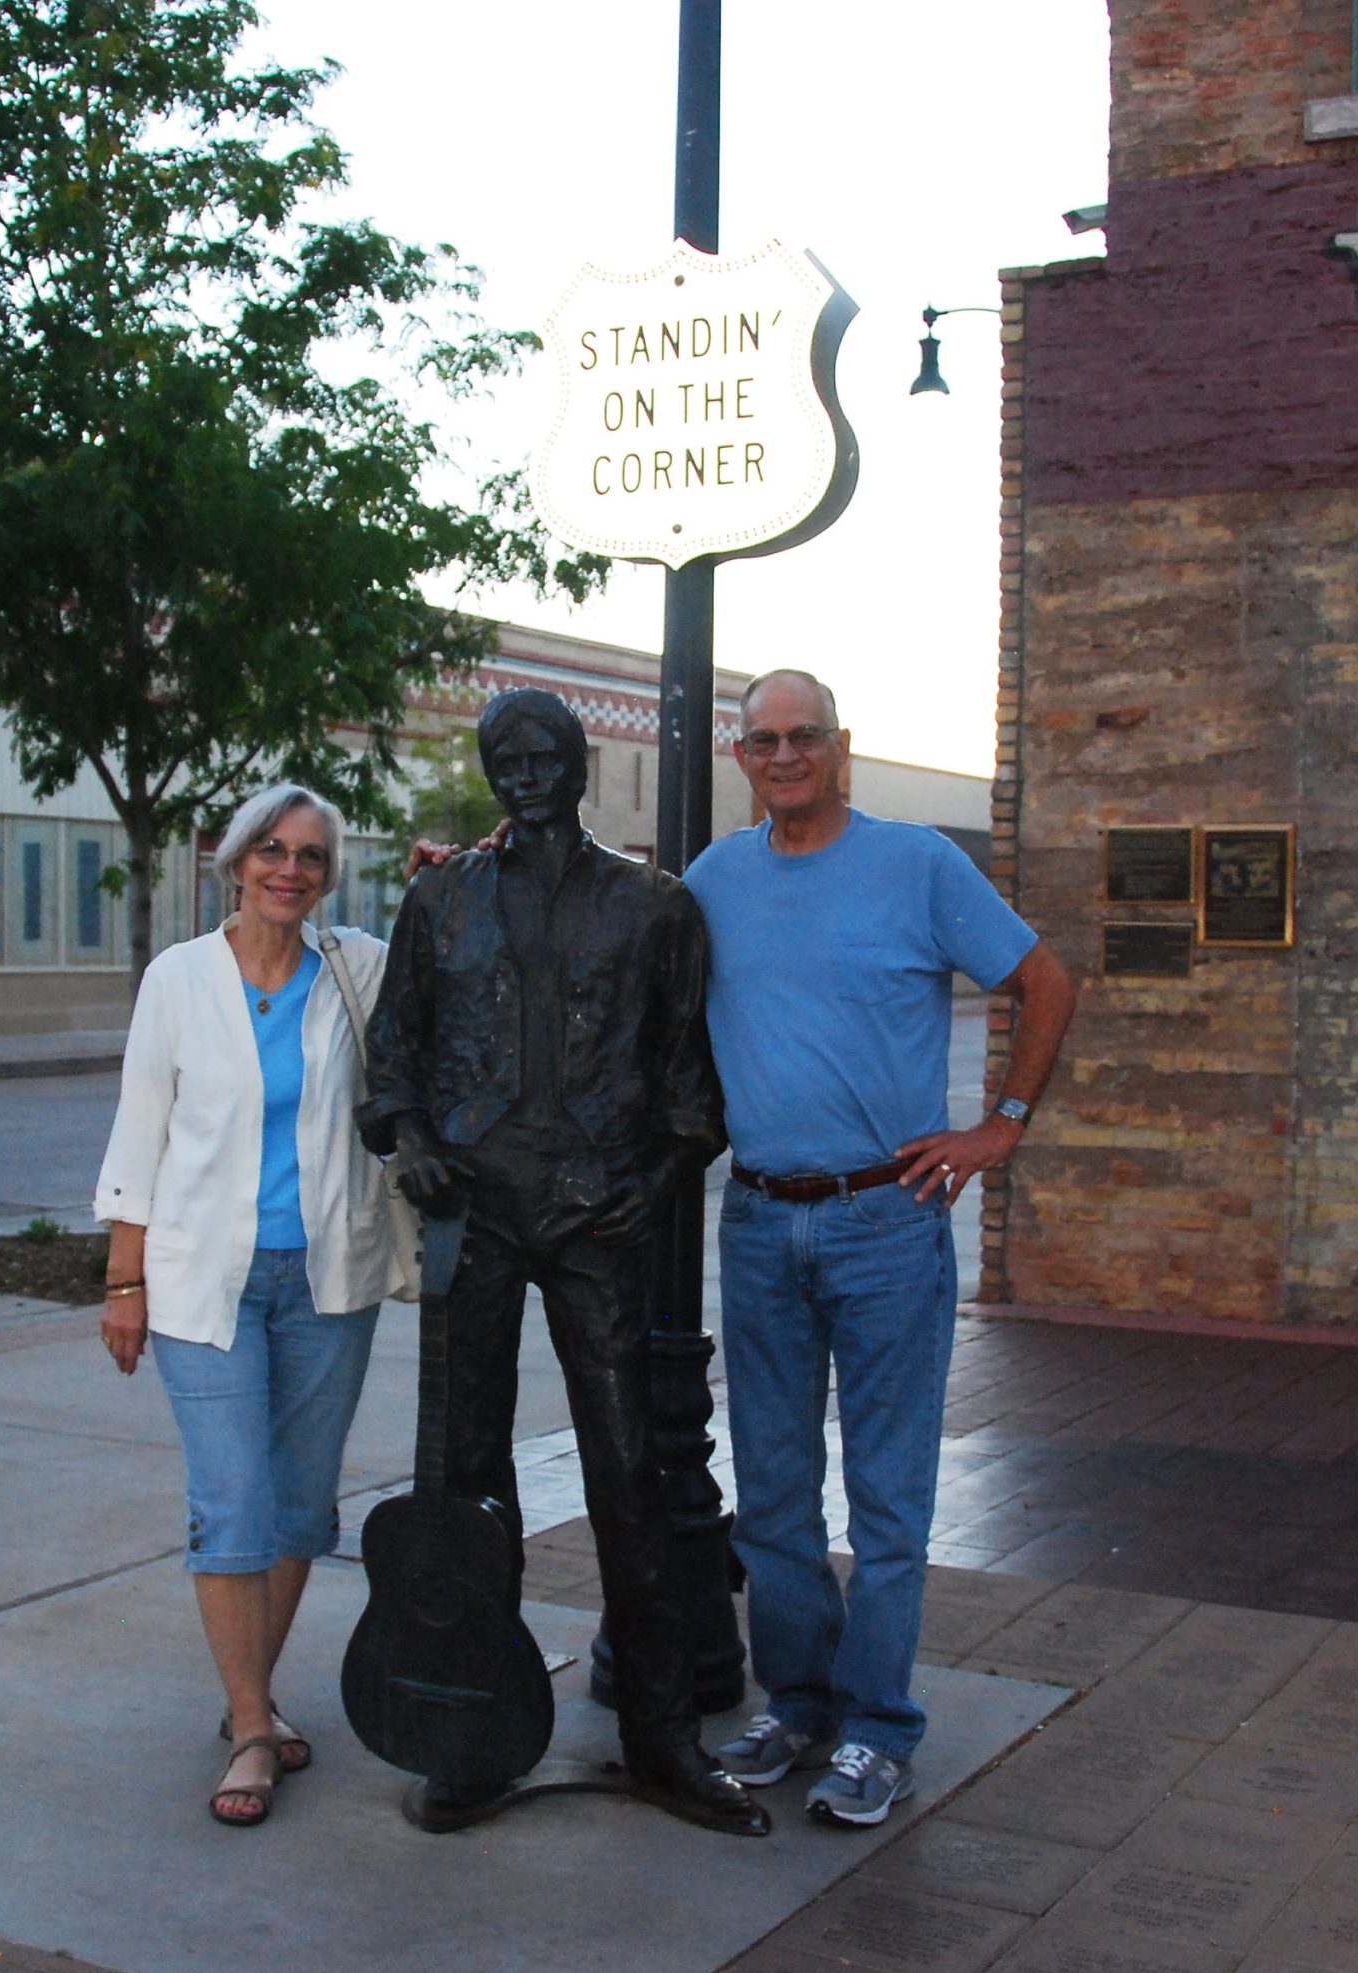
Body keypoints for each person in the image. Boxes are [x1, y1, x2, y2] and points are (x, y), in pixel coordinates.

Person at [359, 688, 763, 1834]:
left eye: (546, 755)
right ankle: (473, 1729)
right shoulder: (440, 899)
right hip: (476, 1218)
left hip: (597, 1224)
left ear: (582, 764)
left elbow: (693, 1096)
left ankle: (662, 1734)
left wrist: (644, 1187)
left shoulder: (654, 909)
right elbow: (393, 1059)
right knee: (467, 1479)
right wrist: (418, 1142)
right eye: (506, 758)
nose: (527, 773)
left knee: (629, 1476)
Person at [692, 668, 1077, 1826]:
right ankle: (796, 1704)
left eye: (803, 734)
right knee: (768, 1494)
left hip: (884, 1221)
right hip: (758, 1218)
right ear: (742, 756)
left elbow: (1042, 977)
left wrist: (1000, 1122)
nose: (784, 753)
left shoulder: (916, 864)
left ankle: (877, 1727)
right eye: (762, 739)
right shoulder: (714, 880)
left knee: (889, 1496)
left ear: (840, 746)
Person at [95, 784, 406, 1827]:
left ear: (327, 874)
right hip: (200, 1284)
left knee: (300, 1508)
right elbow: (141, 1136)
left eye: (310, 855)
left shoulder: (354, 969)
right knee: (232, 1502)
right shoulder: (178, 979)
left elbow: (455, 958)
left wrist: (465, 863)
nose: (289, 868)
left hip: (327, 1282)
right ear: (234, 863)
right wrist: (123, 1280)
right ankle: (249, 1729)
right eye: (270, 850)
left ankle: (251, 1703)